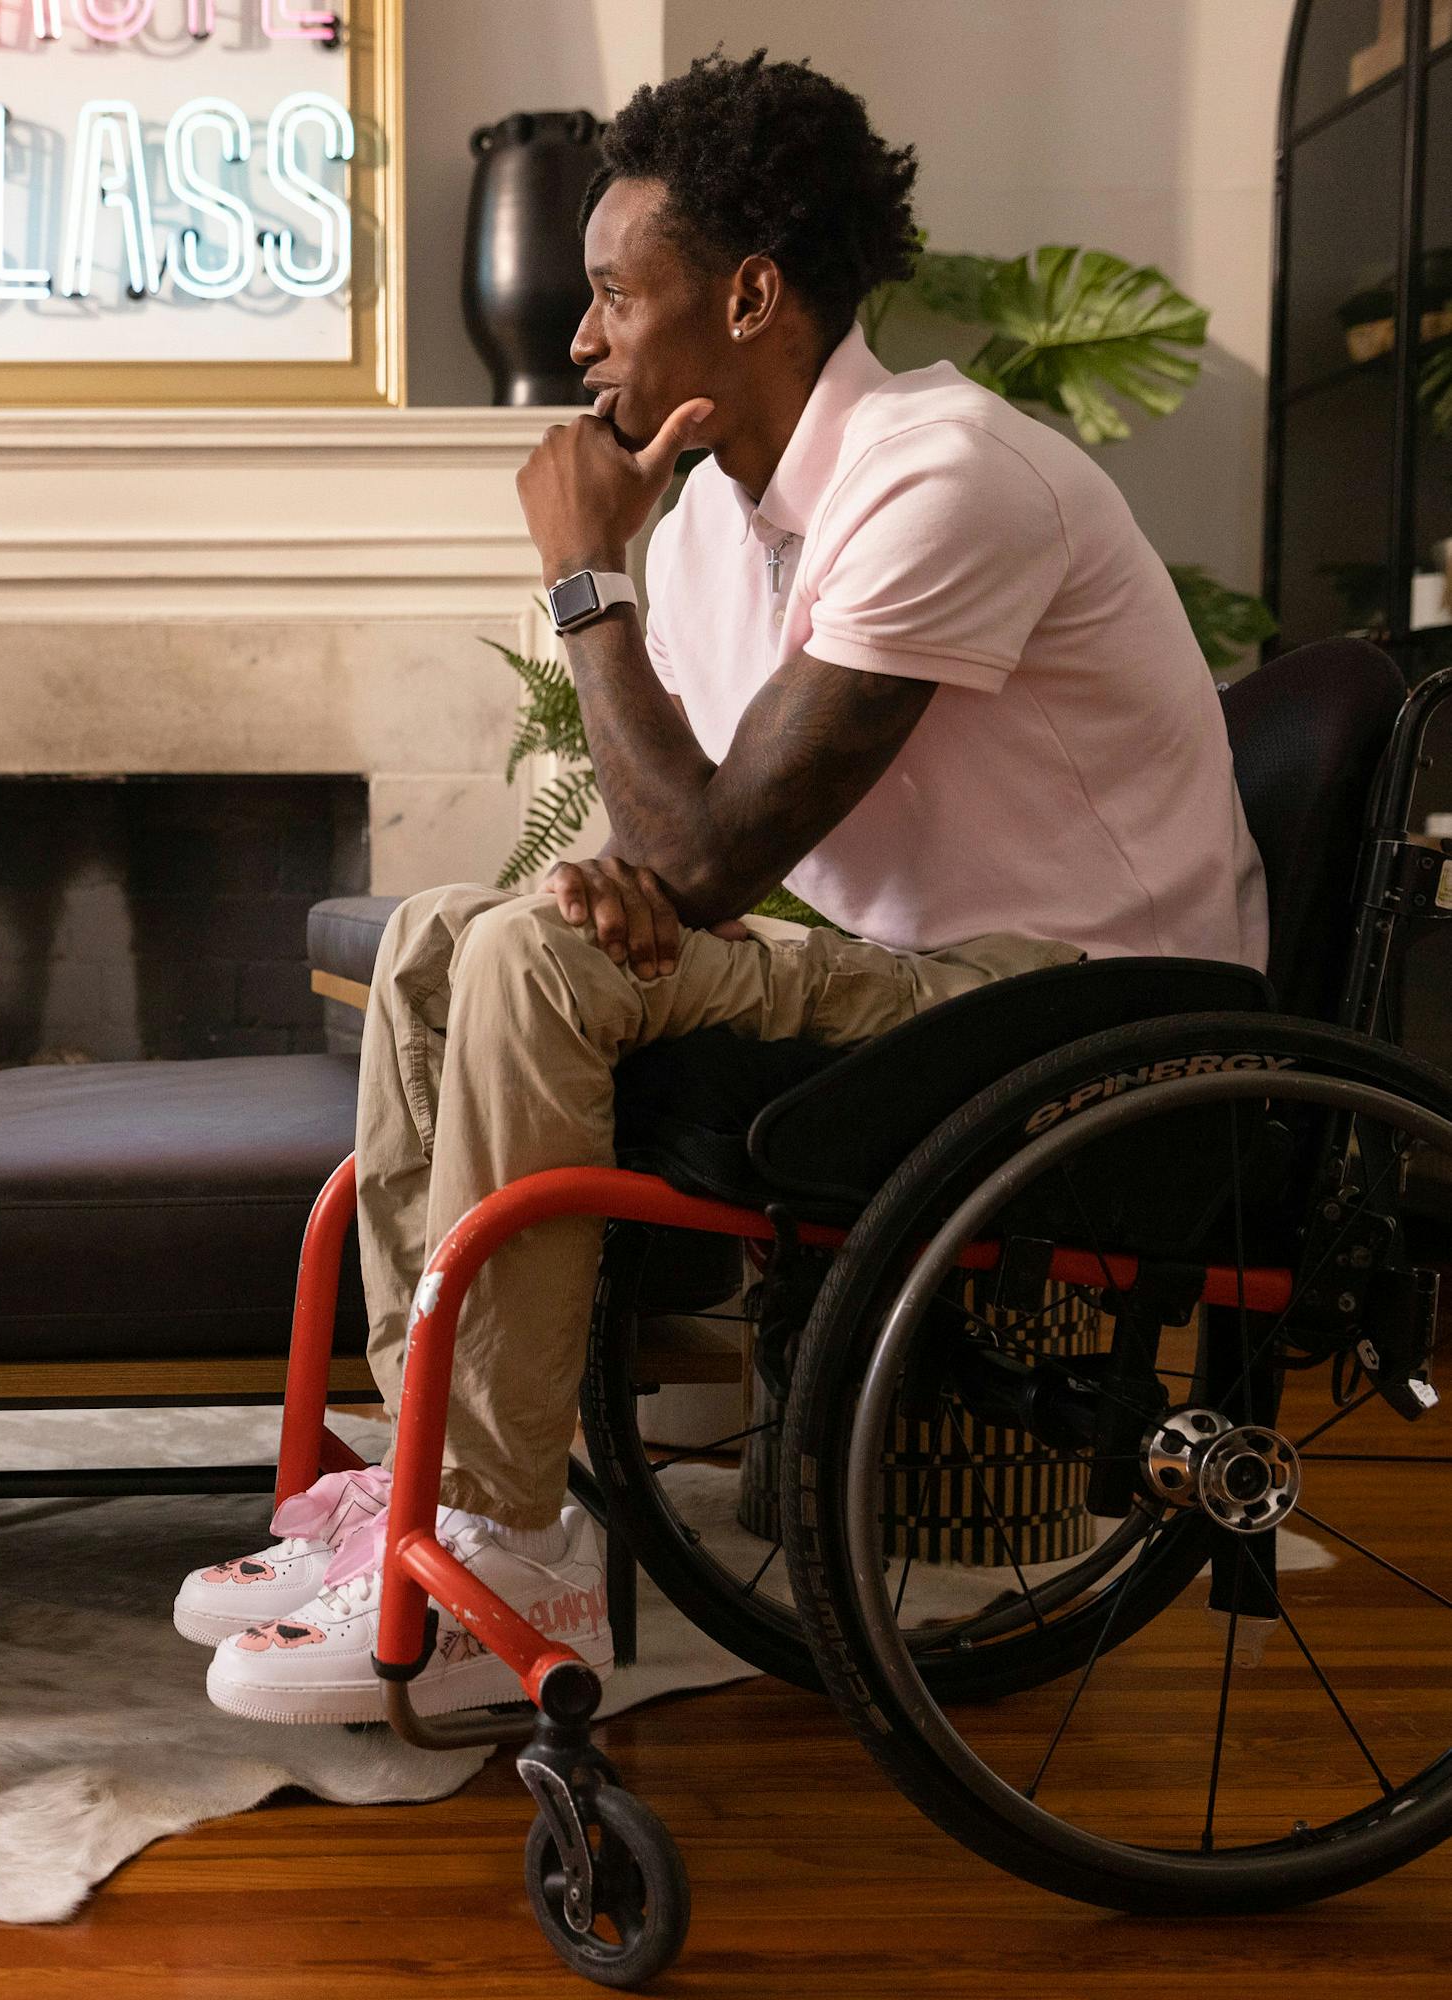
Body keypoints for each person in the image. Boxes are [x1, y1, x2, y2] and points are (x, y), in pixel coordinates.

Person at [183, 51, 1266, 1725]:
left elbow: (697, 854)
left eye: (615, 293)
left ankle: (504, 1543)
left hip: (1092, 1021)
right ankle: (415, 1495)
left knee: (534, 968)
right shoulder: (702, 531)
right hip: (919, 984)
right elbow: (667, 841)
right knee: (443, 936)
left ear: (750, 293)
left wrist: (574, 581)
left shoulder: (941, 473)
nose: (579, 339)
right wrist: (625, 876)